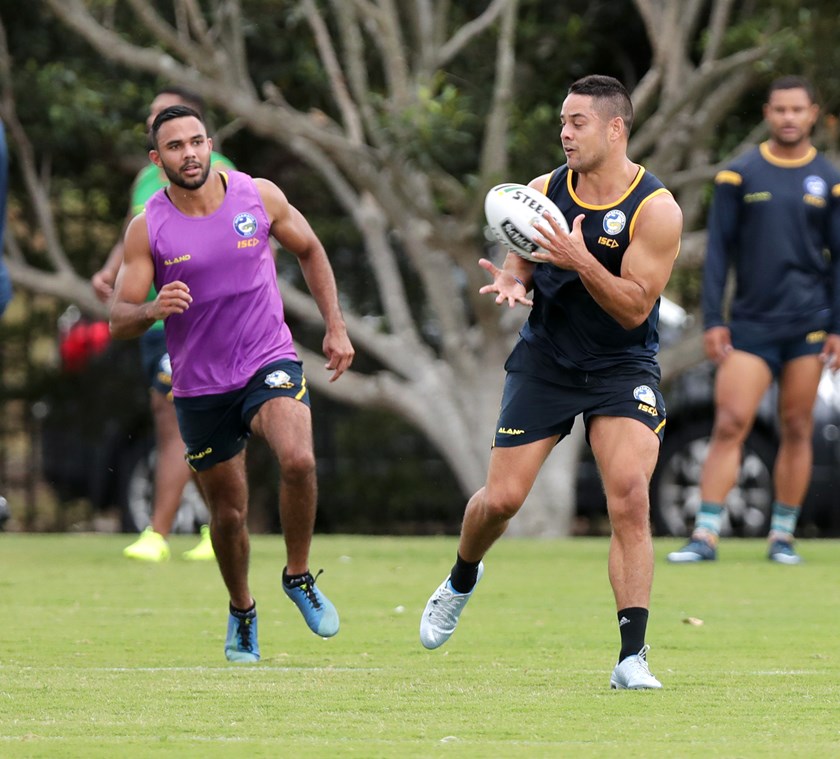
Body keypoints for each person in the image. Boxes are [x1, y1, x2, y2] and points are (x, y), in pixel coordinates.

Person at [419, 75, 683, 690]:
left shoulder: (656, 209)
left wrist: (578, 258)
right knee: (501, 501)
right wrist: (514, 279)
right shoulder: (543, 191)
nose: (564, 133)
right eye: (562, 122)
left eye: (577, 122)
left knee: (629, 495)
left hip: (621, 368)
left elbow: (634, 308)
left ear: (615, 129)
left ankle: (632, 657)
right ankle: (461, 576)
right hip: (547, 363)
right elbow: (522, 255)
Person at [110, 104, 354, 661]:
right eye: (175, 146)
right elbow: (118, 317)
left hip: (267, 358)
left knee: (299, 459)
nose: (190, 153)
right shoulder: (148, 226)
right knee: (228, 514)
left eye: (197, 141)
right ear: (157, 160)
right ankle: (242, 610)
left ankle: (298, 575)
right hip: (200, 386)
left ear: (210, 144)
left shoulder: (256, 195)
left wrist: (335, 327)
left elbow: (311, 249)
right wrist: (152, 309)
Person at [668, 76, 840, 566]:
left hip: (808, 324)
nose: (788, 118)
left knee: (797, 425)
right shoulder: (738, 175)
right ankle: (705, 534)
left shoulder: (829, 180)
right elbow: (718, 253)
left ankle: (782, 536)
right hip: (750, 324)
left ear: (812, 114)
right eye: (780, 109)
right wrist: (714, 320)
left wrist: (837, 328)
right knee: (730, 422)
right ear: (767, 113)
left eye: (797, 110)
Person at [93, 87, 236, 562]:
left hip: (203, 323)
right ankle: (211, 524)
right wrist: (111, 272)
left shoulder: (224, 172)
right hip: (155, 323)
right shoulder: (145, 180)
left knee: (183, 417)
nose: (157, 119)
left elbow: (250, 238)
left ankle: (164, 532)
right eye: (154, 115)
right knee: (175, 417)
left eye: (168, 114)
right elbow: (133, 232)